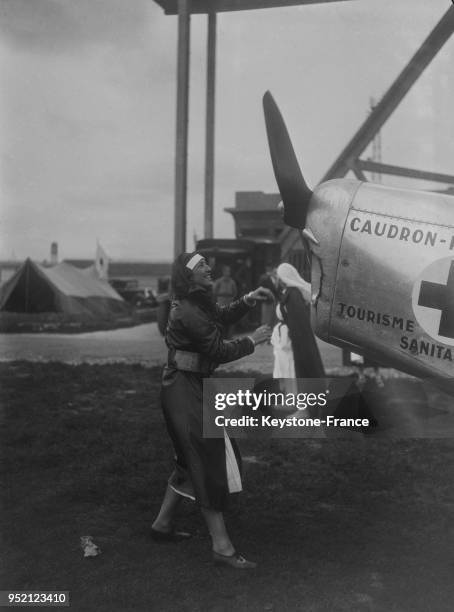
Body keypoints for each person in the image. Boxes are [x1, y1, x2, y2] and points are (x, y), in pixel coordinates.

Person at [152, 252, 273, 569]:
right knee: (207, 462)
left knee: (188, 460)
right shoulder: (189, 309)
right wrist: (252, 340)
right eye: (201, 265)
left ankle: (162, 524)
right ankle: (222, 547)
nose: (209, 268)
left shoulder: (195, 303)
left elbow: (220, 316)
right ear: (188, 275)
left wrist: (248, 298)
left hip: (186, 387)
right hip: (184, 390)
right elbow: (217, 349)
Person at [276, 263, 325, 378]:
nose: (277, 279)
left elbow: (298, 321)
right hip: (290, 337)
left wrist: (292, 336)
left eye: (279, 276)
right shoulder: (289, 292)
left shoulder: (293, 294)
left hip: (296, 338)